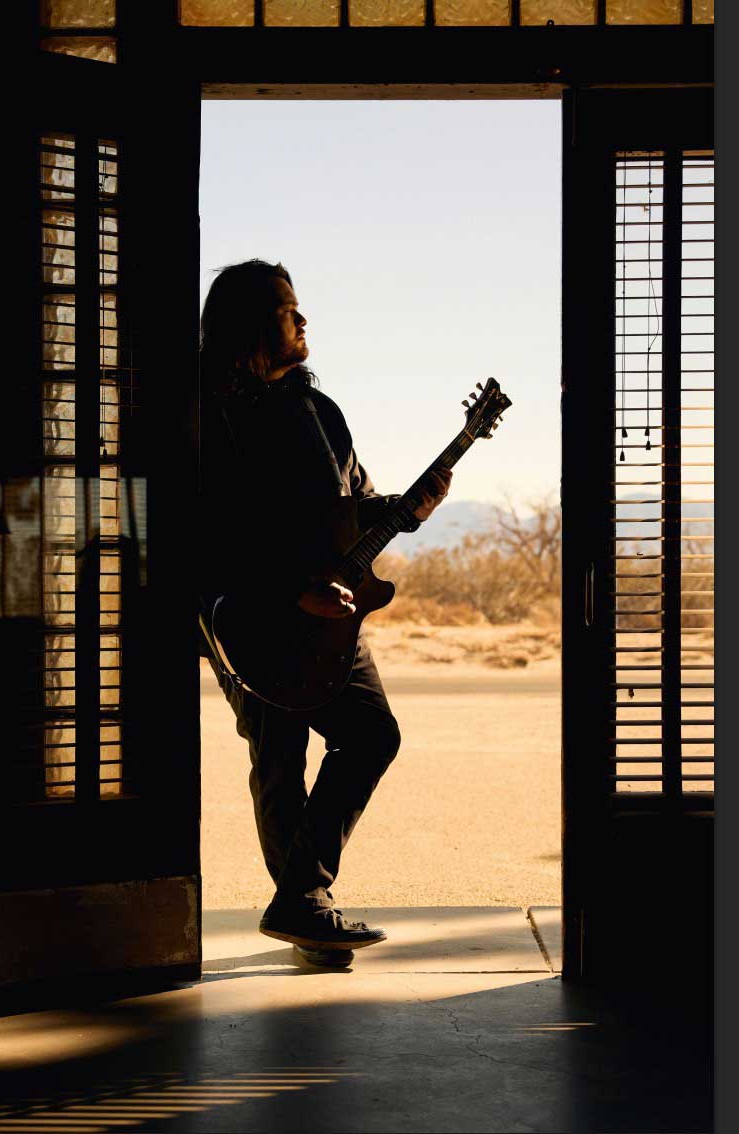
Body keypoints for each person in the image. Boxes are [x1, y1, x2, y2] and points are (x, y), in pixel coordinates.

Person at [199, 260, 451, 966]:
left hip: (334, 615)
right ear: (251, 325)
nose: (303, 319)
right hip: (249, 619)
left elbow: (355, 506)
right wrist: (288, 591)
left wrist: (408, 508)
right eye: (288, 309)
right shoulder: (206, 414)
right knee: (279, 758)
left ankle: (299, 901)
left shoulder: (320, 409)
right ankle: (307, 909)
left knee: (371, 736)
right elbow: (205, 534)